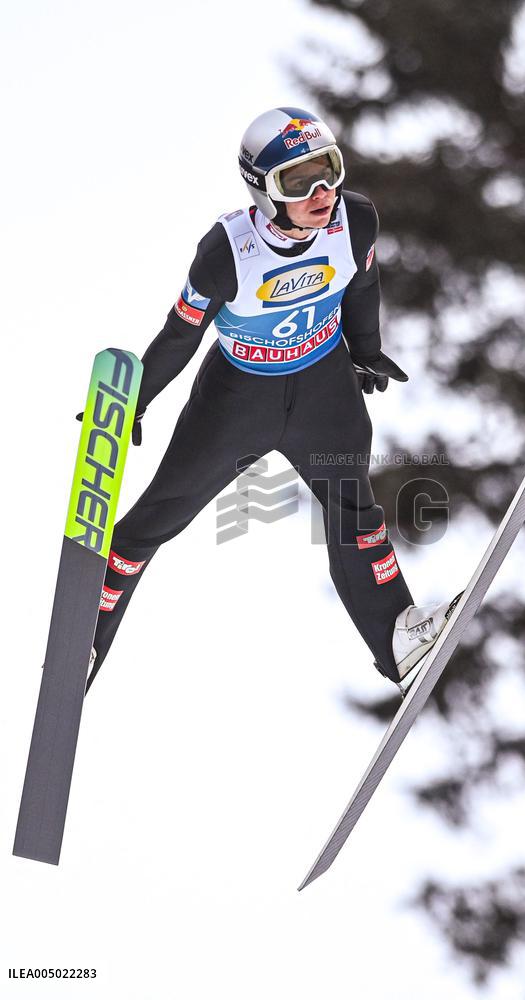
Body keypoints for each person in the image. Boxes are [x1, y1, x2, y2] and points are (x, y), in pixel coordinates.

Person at [86, 106, 451, 695]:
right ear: (262, 187)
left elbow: (361, 283)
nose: (322, 193)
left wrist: (366, 349)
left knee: (354, 512)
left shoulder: (355, 219)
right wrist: (137, 399)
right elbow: (181, 334)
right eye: (298, 181)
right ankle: (87, 640)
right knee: (158, 515)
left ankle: (397, 640)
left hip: (322, 388)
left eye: (328, 171)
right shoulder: (225, 252)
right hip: (237, 398)